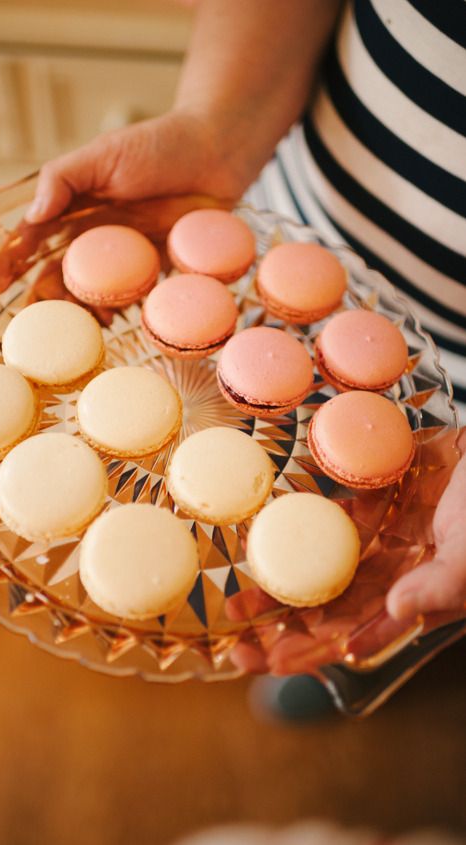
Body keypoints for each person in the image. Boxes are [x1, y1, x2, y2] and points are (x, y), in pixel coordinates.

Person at [24, 0, 466, 683]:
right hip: (279, 247)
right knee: (312, 565)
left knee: (378, 581)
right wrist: (217, 128)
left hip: (454, 406)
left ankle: (362, 668)